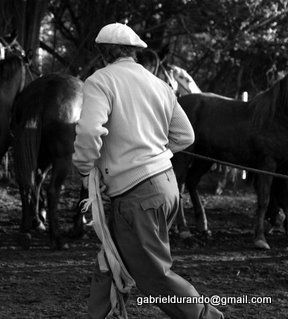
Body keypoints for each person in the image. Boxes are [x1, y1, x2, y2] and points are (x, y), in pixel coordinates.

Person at [72, 22, 224, 319]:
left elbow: (90, 132)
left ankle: (207, 316)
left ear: (103, 54)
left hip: (136, 198)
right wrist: (155, 154)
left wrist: (83, 170)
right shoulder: (160, 85)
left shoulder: (100, 81)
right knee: (109, 259)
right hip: (166, 188)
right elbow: (185, 136)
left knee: (154, 278)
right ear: (135, 53)